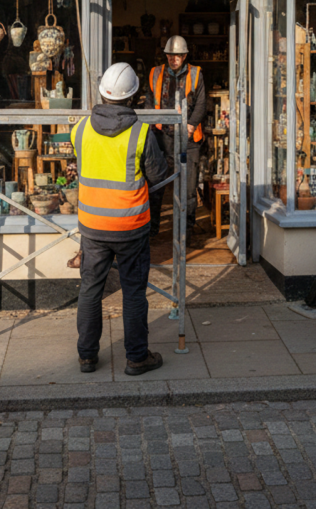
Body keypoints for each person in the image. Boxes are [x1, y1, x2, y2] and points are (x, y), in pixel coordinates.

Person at [72, 62, 170, 377]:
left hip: (93, 227)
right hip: (130, 227)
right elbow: (159, 175)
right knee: (133, 292)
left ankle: (87, 357)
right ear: (134, 97)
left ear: (102, 93)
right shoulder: (141, 133)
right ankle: (137, 358)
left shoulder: (81, 129)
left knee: (90, 290)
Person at [148, 35, 207, 242]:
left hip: (188, 140)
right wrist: (149, 129)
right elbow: (149, 103)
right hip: (161, 138)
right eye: (171, 56)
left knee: (189, 189)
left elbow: (201, 104)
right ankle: (152, 231)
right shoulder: (155, 74)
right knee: (155, 185)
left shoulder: (196, 74)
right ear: (166, 56)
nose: (174, 59)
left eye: (178, 56)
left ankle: (186, 232)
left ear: (185, 56)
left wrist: (191, 124)